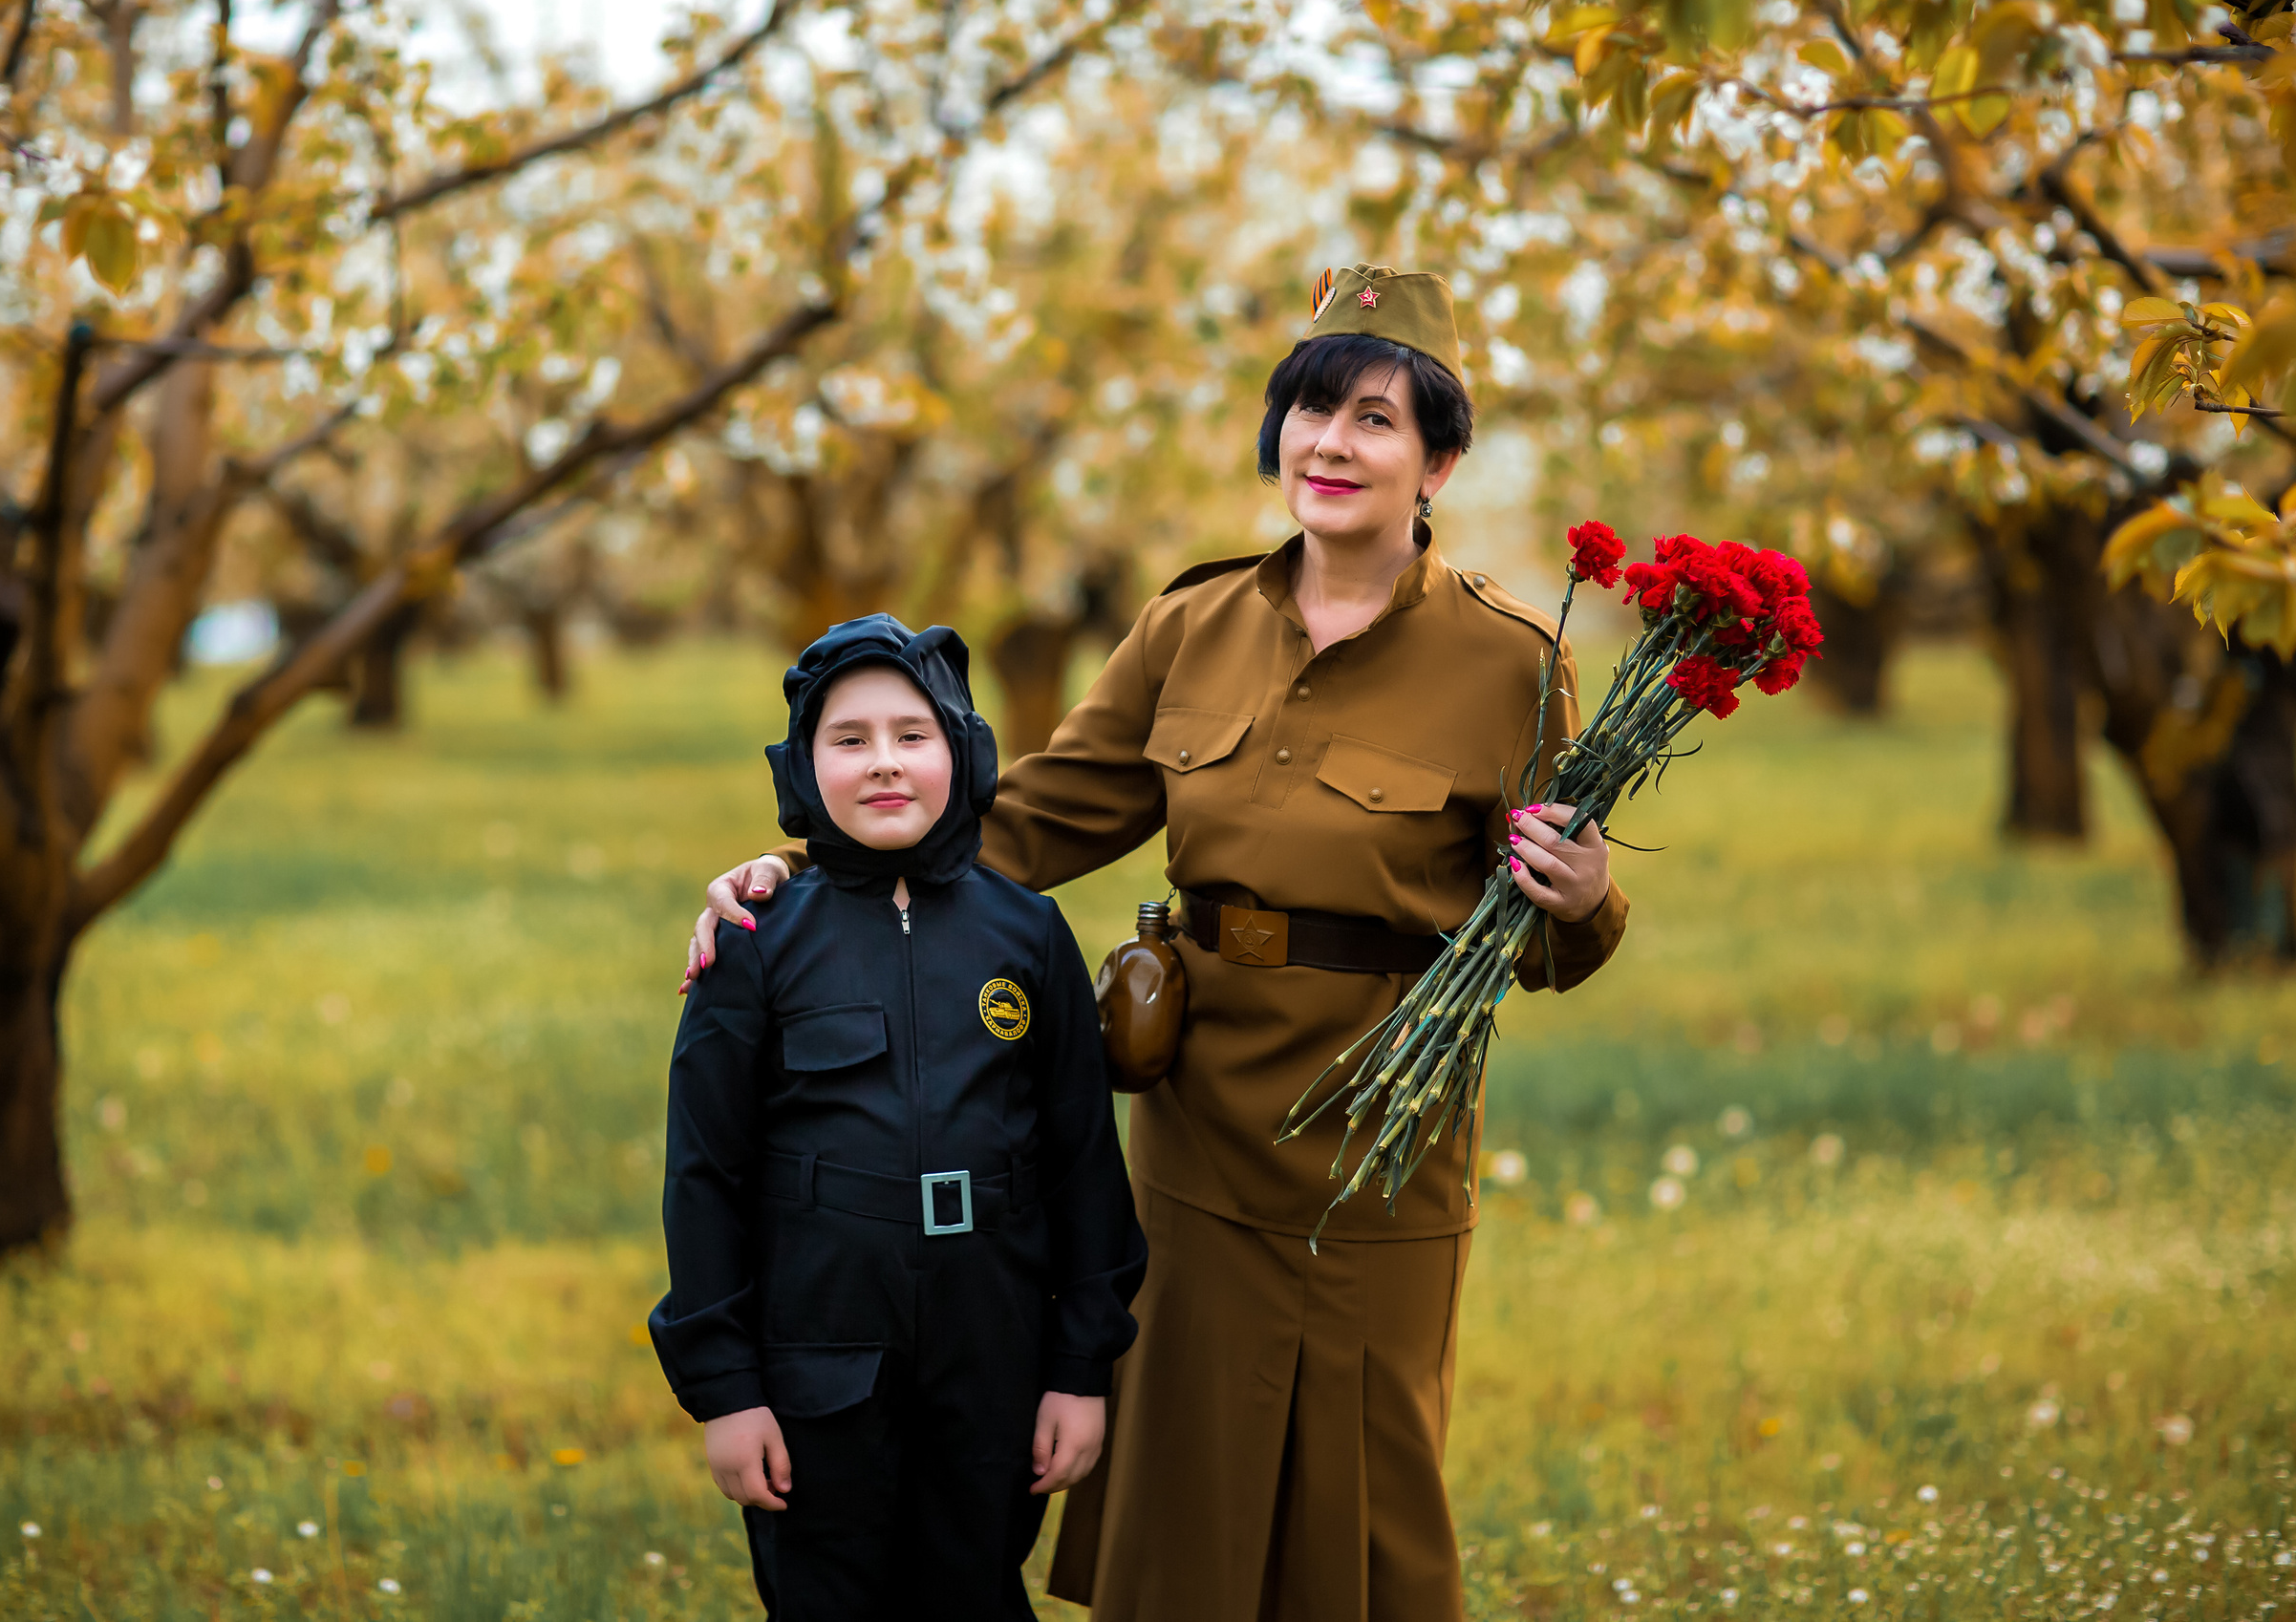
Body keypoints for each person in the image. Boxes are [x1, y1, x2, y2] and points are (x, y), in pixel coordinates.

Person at [679, 264, 1628, 1622]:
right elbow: (1031, 817)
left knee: (1366, 1474)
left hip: (1384, 1135)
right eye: (1308, 410)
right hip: (1195, 1122)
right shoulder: (1193, 622)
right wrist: (803, 873)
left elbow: (1541, 941)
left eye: (1373, 417)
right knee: (1185, 1471)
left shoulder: (1511, 662)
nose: (1330, 444)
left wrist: (1583, 893)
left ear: (1441, 457)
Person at [648, 615, 1148, 1622]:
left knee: (974, 1587)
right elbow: (704, 1173)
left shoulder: (1028, 932)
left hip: (991, 1353)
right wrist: (727, 1391)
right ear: (803, 765)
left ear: (962, 751)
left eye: (912, 735)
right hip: (817, 1359)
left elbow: (1082, 1163)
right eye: (849, 739)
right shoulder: (756, 940)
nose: (884, 764)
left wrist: (1076, 1368)